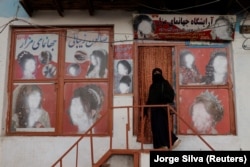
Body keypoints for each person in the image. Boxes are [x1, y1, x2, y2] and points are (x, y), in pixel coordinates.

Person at [144, 68, 180, 149]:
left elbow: (171, 94)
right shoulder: (152, 86)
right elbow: (150, 99)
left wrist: (164, 99)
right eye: (155, 73)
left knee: (162, 127)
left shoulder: (165, 83)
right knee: (155, 128)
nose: (157, 74)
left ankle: (172, 141)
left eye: (158, 72)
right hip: (154, 110)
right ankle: (159, 146)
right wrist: (145, 109)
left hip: (162, 109)